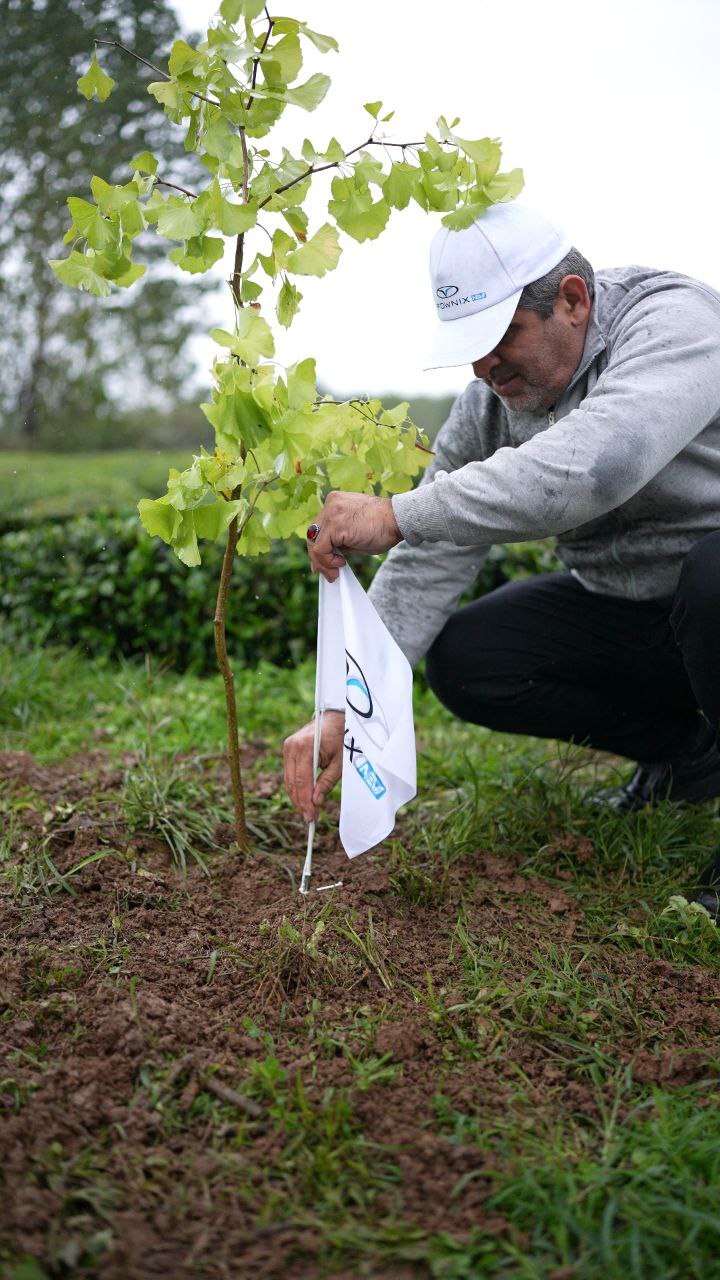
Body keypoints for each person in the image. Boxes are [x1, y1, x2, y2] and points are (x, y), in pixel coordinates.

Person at [283, 203, 720, 919]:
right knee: (472, 659)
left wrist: (395, 513)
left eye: (502, 336)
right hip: (647, 615)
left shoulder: (676, 325)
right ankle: (695, 752)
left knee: (712, 578)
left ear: (572, 301)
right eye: (471, 345)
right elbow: (431, 555)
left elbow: (600, 466)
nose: (485, 366)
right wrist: (341, 710)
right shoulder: (492, 401)